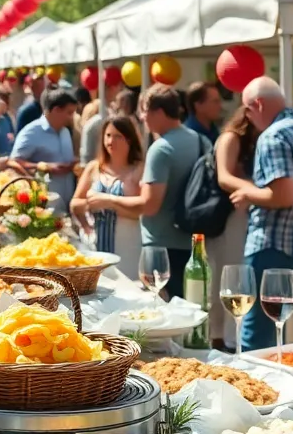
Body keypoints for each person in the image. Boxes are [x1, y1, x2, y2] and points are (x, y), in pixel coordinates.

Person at [89, 85, 202, 299]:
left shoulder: (160, 149)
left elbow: (149, 205)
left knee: (162, 313)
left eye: (144, 111)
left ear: (158, 112)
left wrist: (107, 200)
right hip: (194, 242)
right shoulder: (199, 140)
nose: (141, 117)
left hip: (161, 247)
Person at [238, 77, 293, 348]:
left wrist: (247, 193)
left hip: (272, 246)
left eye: (247, 110)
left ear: (258, 104)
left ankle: (257, 389)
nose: (247, 118)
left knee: (258, 337)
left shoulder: (273, 136)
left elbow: (284, 195)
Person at [207, 106, 261, 349]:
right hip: (229, 218)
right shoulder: (231, 138)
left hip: (245, 215)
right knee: (226, 277)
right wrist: (258, 191)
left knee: (237, 278)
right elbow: (224, 177)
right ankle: (221, 339)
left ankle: (232, 337)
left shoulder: (258, 139)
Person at [71, 116, 144, 272]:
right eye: (108, 135)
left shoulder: (139, 169)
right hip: (95, 244)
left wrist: (108, 202)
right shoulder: (94, 168)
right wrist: (87, 216)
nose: (111, 141)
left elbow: (140, 211)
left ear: (129, 140)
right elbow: (75, 204)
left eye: (118, 136)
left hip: (128, 245)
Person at [11, 89, 80, 211]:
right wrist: (44, 166)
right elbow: (14, 162)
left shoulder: (65, 132)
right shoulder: (31, 132)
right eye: (69, 113)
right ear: (56, 110)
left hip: (66, 205)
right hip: (42, 209)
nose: (71, 118)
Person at [79, 76, 124, 165]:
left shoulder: (113, 114)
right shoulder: (95, 122)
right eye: (119, 86)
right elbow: (87, 157)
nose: (121, 89)